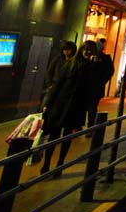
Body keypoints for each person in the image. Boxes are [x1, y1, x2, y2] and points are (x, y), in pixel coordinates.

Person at [41, 40, 99, 176]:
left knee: (68, 137)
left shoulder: (93, 68)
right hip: (60, 105)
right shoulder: (70, 64)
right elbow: (57, 85)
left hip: (76, 107)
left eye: (90, 50)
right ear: (81, 50)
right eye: (85, 49)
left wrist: (95, 66)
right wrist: (47, 104)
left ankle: (60, 164)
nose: (87, 52)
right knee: (54, 136)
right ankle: (46, 164)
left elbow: (97, 83)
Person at [88, 38, 114, 127]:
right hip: (87, 87)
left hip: (96, 87)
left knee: (92, 107)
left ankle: (91, 127)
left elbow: (110, 71)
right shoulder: (87, 58)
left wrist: (102, 81)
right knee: (89, 107)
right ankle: (80, 126)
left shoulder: (105, 58)